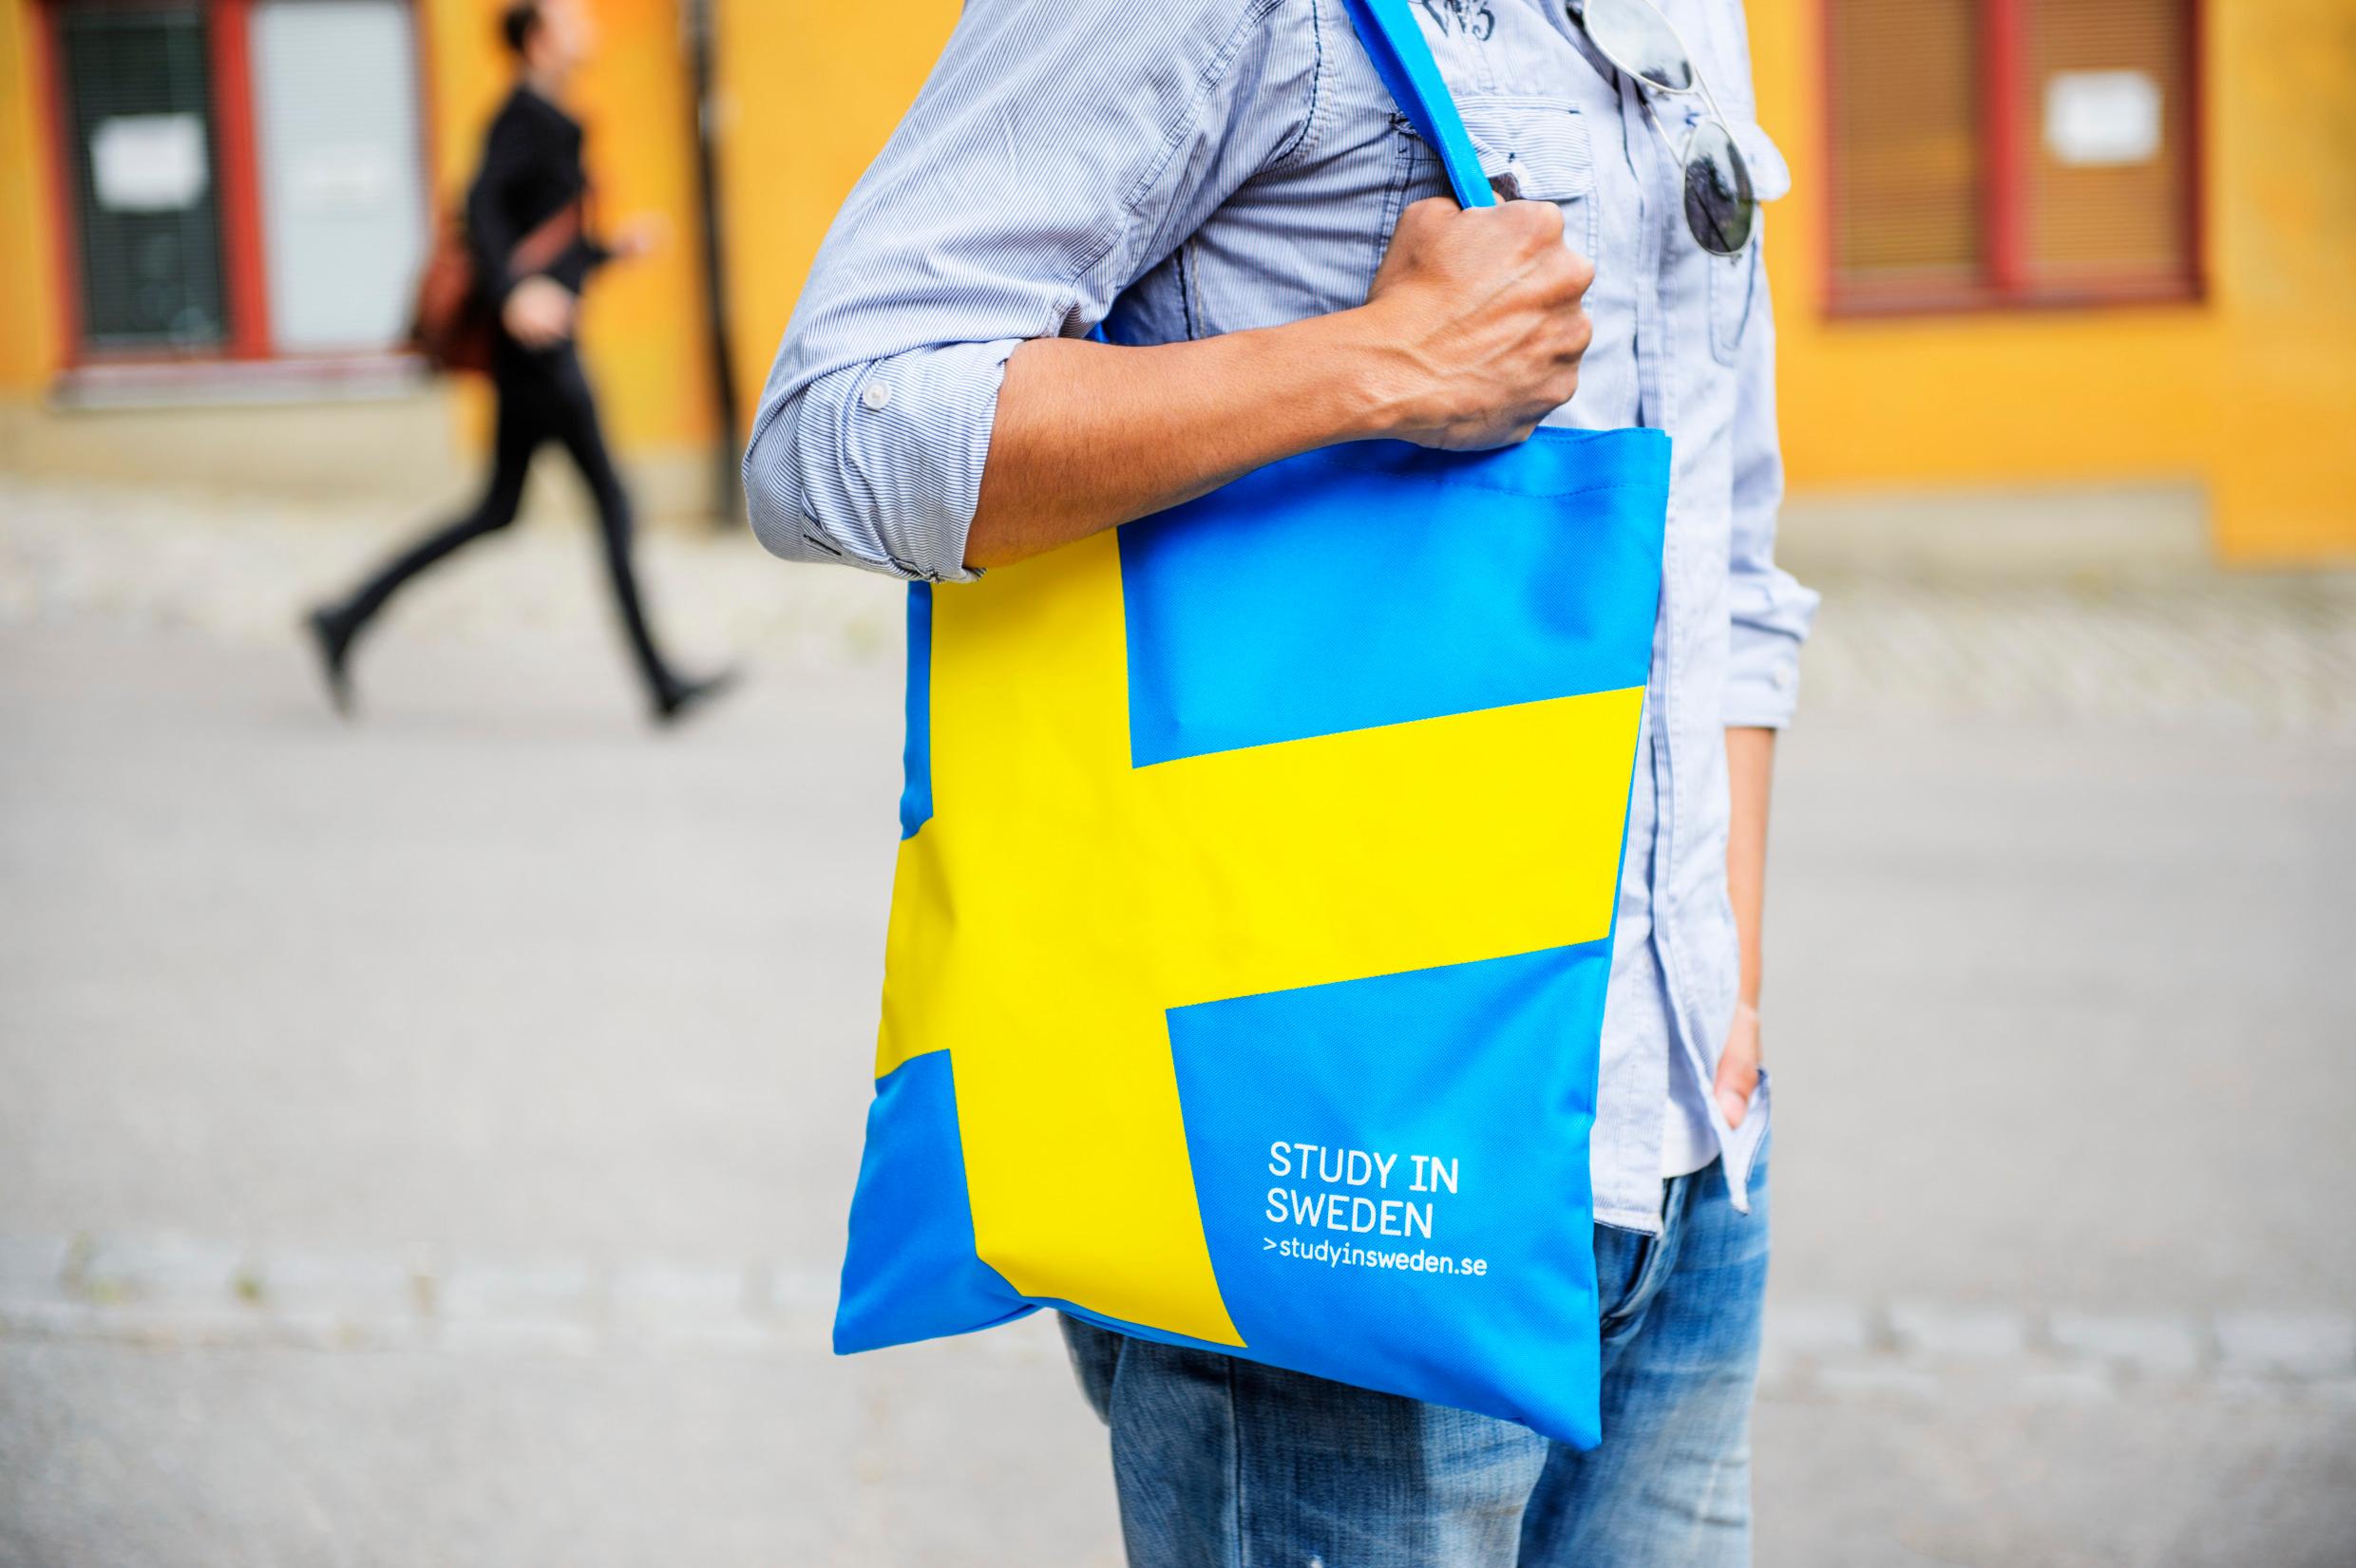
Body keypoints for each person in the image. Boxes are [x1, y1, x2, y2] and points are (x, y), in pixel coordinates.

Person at [746, 0, 1816, 1559]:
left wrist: (1732, 988)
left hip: (1684, 1145)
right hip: (1341, 1143)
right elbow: (828, 428)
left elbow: (1725, 541)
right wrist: (1374, 364)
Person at [307, 0, 731, 726]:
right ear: (539, 41)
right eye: (571, 17)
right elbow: (481, 209)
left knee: (497, 510)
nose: (588, 23)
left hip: (534, 349)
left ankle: (346, 615)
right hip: (539, 354)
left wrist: (608, 251)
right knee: (611, 502)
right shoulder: (522, 118)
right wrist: (512, 294)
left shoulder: (554, 119)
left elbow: (547, 244)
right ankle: (660, 684)